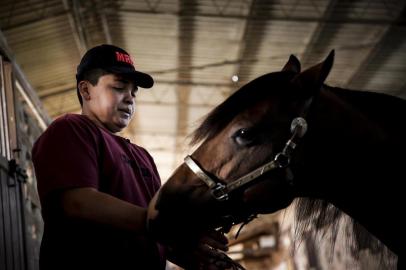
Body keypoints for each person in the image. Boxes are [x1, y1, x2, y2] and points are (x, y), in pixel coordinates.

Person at [32, 44, 233, 270]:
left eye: (133, 93)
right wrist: (166, 226)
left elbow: (151, 227)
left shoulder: (143, 156)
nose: (130, 99)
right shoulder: (72, 129)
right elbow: (77, 203)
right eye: (119, 88)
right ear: (86, 90)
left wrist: (190, 253)